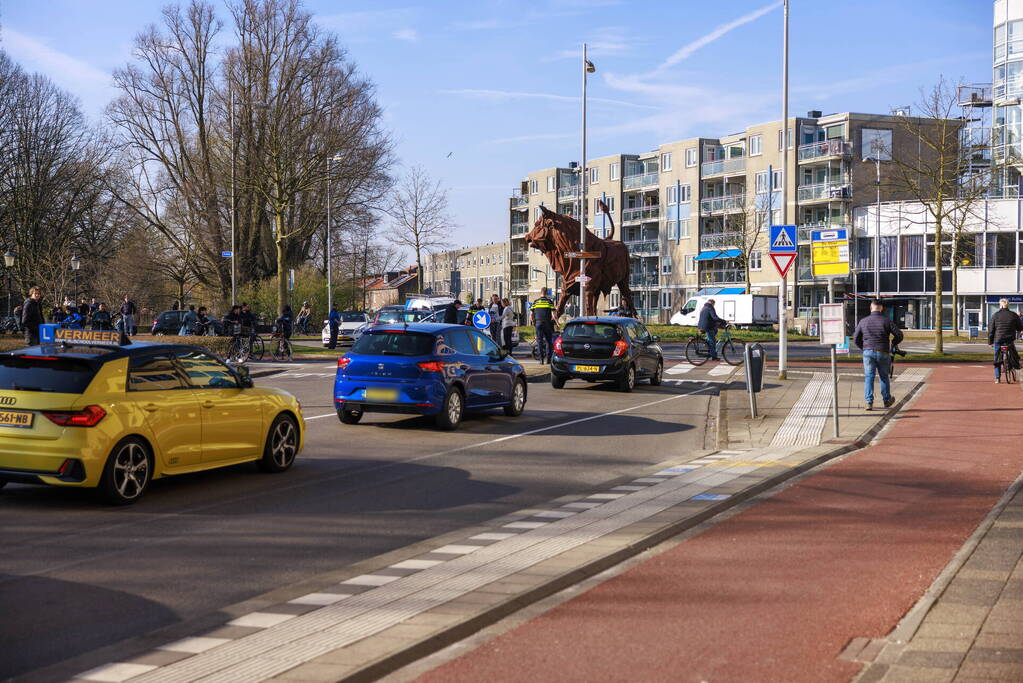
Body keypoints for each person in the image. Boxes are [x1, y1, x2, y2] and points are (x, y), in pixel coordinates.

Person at [853, 299, 904, 411]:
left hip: (868, 352)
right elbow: (899, 335)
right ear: (881, 308)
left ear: (871, 308)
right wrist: (893, 343)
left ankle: (869, 402)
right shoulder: (886, 321)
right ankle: (886, 400)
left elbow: (855, 338)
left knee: (869, 377)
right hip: (883, 352)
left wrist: (864, 348)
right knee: (884, 377)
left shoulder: (863, 321)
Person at [987, 298, 1023, 384]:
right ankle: (1014, 365)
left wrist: (990, 342)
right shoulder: (1013, 315)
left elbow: (991, 330)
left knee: (997, 358)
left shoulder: (995, 315)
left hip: (998, 339)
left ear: (1001, 305)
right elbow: (1020, 328)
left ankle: (997, 378)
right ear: (1008, 305)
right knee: (1014, 355)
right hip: (1009, 339)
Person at [530, 287, 557, 364]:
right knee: (549, 341)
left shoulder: (535, 302)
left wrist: (533, 322)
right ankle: (548, 359)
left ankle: (541, 360)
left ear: (540, 293)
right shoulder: (549, 302)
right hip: (547, 323)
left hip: (538, 323)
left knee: (539, 341)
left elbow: (531, 315)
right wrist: (557, 323)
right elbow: (553, 315)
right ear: (547, 293)